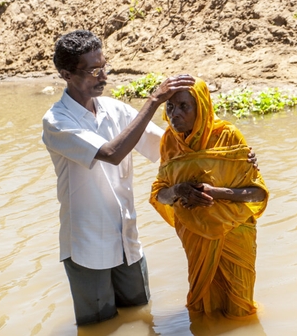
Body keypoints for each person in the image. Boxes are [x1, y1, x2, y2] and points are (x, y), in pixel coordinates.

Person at [41, 29, 197, 325]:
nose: (103, 76)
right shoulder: (57, 122)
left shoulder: (115, 110)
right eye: (93, 71)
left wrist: (228, 152)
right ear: (66, 74)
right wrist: (153, 100)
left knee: (142, 317)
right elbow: (112, 152)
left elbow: (169, 148)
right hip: (88, 247)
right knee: (99, 327)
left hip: (127, 239)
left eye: (105, 66)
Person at [150, 79, 269, 319]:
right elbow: (159, 194)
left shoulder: (228, 136)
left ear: (202, 107)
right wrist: (179, 190)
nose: (175, 114)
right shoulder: (170, 141)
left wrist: (214, 192)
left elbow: (257, 193)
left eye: (184, 106)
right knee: (204, 307)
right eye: (170, 107)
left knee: (241, 309)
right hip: (196, 235)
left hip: (235, 232)